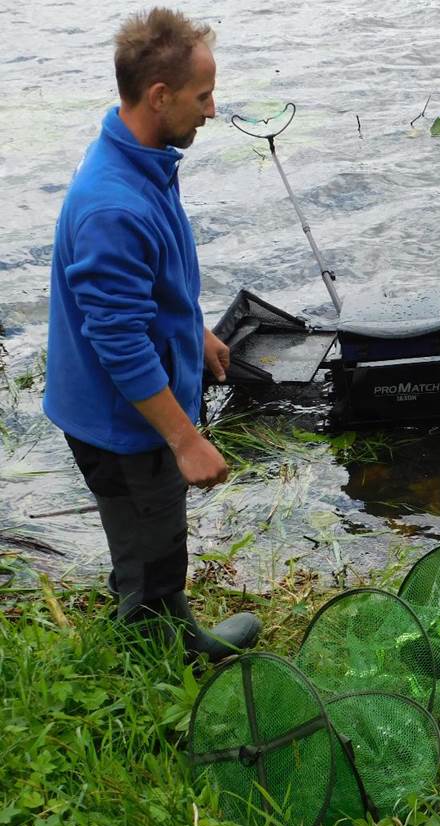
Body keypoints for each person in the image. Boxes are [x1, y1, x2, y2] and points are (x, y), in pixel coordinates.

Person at [43, 8, 260, 660]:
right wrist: (186, 439)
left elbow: (147, 290)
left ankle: (149, 625)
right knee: (157, 543)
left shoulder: (136, 155)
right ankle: (163, 669)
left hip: (115, 416)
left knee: (139, 542)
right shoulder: (113, 204)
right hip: (125, 424)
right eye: (202, 97)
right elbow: (120, 343)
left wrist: (194, 330)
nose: (213, 111)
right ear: (159, 96)